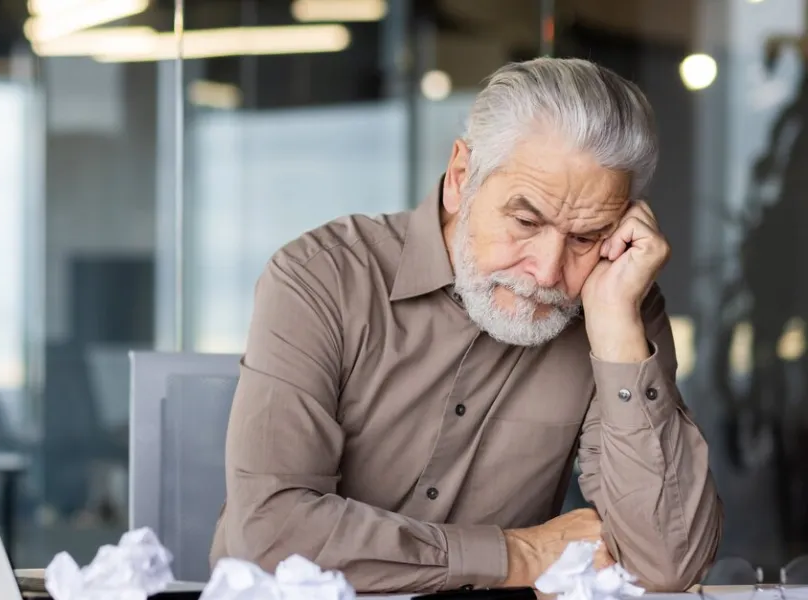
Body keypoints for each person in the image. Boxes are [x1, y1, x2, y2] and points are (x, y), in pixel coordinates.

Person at [208, 57, 723, 594]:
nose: (547, 271)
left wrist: (617, 326)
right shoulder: (325, 277)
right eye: (526, 222)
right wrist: (518, 555)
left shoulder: (615, 300)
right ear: (460, 178)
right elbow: (267, 536)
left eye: (586, 236)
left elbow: (669, 562)